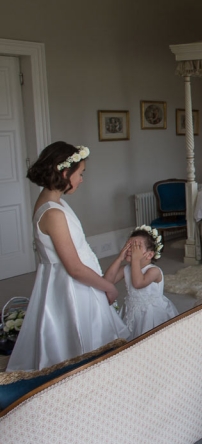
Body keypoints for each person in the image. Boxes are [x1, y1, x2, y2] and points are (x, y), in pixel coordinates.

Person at [8, 142, 129, 371]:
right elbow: (73, 267)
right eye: (80, 173)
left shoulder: (55, 202)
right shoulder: (53, 213)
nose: (82, 179)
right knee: (78, 337)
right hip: (72, 287)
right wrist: (108, 287)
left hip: (75, 281)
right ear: (65, 173)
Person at [104, 227, 178, 341]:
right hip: (132, 311)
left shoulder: (154, 271)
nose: (130, 250)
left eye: (136, 247)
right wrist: (119, 258)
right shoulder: (127, 269)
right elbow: (107, 282)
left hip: (152, 314)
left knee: (152, 341)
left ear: (149, 255)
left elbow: (138, 283)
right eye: (129, 245)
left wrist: (135, 260)